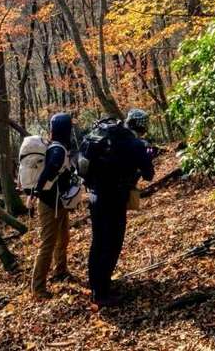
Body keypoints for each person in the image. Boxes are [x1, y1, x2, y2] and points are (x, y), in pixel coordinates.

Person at [87, 108, 156, 308]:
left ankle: (96, 285)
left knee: (98, 242)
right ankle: (102, 293)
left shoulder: (108, 137)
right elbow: (149, 174)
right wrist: (147, 156)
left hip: (94, 195)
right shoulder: (135, 144)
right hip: (114, 199)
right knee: (112, 243)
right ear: (142, 127)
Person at [28, 112, 74, 299]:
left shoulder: (59, 147)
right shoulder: (57, 150)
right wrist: (34, 194)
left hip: (59, 202)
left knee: (63, 238)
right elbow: (49, 170)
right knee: (47, 244)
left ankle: (60, 271)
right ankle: (38, 288)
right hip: (49, 204)